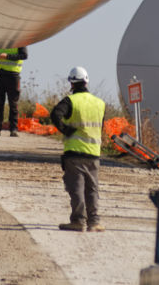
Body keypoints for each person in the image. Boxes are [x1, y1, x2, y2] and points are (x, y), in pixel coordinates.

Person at [50, 66, 106, 232]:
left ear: (72, 84)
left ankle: (78, 221)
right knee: (92, 189)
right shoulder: (100, 103)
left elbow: (55, 114)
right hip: (94, 153)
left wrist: (65, 130)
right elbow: (100, 126)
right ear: (87, 82)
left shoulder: (71, 101)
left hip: (74, 153)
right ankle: (94, 222)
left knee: (76, 188)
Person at [0, 47, 28, 137]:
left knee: (13, 104)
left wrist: (7, 56)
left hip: (13, 75)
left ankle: (13, 129)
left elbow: (24, 55)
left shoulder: (20, 40)